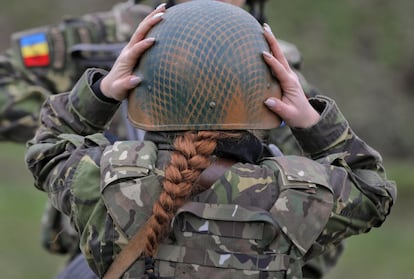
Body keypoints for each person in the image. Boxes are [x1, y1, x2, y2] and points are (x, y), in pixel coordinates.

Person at [25, 2, 396, 278]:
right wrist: (312, 120)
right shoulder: (297, 195)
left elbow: (48, 146)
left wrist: (103, 91)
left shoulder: (104, 179)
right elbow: (372, 189)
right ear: (265, 94)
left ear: (146, 89)